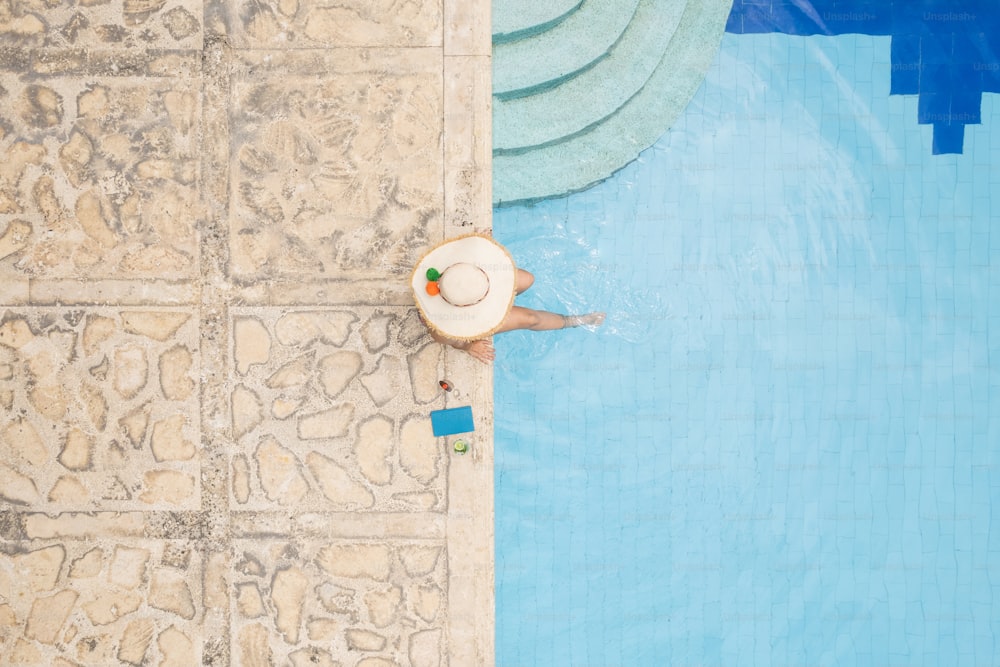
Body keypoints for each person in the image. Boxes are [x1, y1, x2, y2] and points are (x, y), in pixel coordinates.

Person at [411, 234, 605, 363]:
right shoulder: (443, 326)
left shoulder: (457, 274)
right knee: (530, 318)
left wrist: (480, 245)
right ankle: (574, 320)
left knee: (527, 279)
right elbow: (449, 340)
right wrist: (469, 346)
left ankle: (502, 301)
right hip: (470, 311)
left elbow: (467, 249)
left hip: (478, 286)